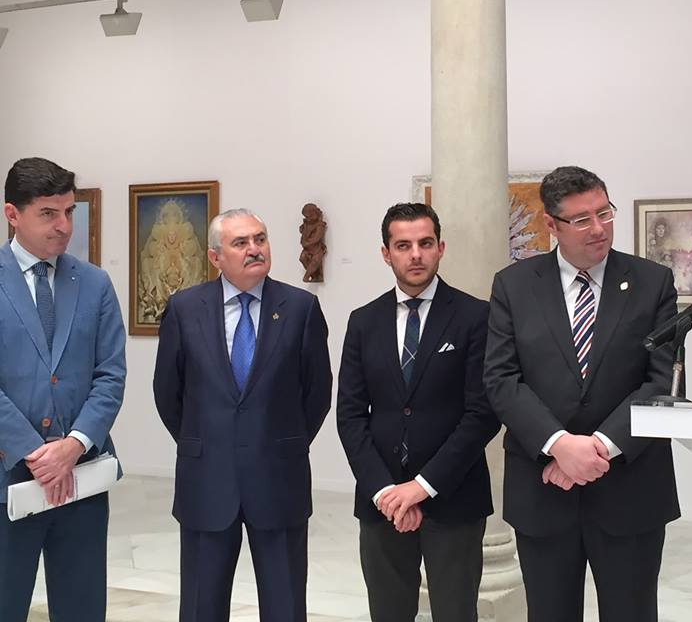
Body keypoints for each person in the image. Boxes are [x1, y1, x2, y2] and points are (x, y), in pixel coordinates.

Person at [484, 166, 680, 622]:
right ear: (551, 225)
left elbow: (662, 382)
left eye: (604, 213)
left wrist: (597, 449)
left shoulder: (653, 282)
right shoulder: (514, 286)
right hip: (543, 491)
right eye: (581, 220)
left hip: (630, 490)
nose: (598, 229)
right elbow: (501, 379)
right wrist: (559, 445)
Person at [153, 208, 332, 622]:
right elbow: (168, 393)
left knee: (286, 607)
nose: (255, 249)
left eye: (260, 239)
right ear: (215, 257)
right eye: (241, 243)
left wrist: (281, 442)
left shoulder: (301, 308)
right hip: (206, 481)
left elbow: (317, 393)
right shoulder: (184, 309)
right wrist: (206, 441)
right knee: (201, 607)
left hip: (279, 479)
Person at [337, 203, 500, 622]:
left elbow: (482, 414)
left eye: (425, 243)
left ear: (440, 248)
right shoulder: (363, 322)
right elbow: (350, 415)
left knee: (455, 613)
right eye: (403, 245)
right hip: (382, 502)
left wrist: (422, 488)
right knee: (388, 613)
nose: (415, 255)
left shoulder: (475, 316)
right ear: (385, 253)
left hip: (454, 498)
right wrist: (385, 492)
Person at [0, 157, 125, 622]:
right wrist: (35, 453)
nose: (64, 226)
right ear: (12, 214)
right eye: (49, 214)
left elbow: (110, 375)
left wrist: (73, 446)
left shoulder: (94, 283)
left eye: (70, 211)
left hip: (81, 482)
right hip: (7, 483)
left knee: (82, 609)